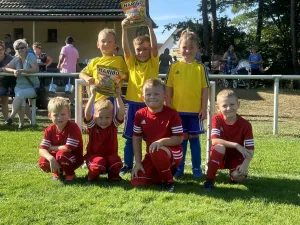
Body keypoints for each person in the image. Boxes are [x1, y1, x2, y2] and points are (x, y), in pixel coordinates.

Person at [166, 29, 209, 179]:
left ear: (197, 48)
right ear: (179, 47)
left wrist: (204, 108)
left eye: (191, 47)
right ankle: (180, 167)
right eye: (185, 47)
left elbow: (205, 89)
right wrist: (168, 106)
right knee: (181, 139)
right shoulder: (174, 67)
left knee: (194, 139)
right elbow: (168, 88)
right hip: (177, 112)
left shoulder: (200, 68)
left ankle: (197, 168)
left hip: (195, 112)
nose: (188, 50)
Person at [120, 17, 159, 175]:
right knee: (130, 138)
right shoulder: (132, 63)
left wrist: (150, 28)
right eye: (139, 50)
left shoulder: (153, 62)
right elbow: (125, 49)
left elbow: (155, 47)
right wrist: (123, 29)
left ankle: (152, 164)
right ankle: (127, 165)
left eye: (145, 49)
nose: (142, 52)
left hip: (150, 106)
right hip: (132, 104)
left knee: (151, 139)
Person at [131, 79, 183, 192]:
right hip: (152, 153)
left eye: (156, 94)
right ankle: (163, 172)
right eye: (148, 94)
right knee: (137, 181)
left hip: (172, 152)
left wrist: (162, 142)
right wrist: (138, 162)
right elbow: (136, 137)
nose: (152, 97)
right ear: (143, 97)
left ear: (165, 96)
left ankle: (168, 181)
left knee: (157, 151)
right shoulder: (140, 114)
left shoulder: (172, 114)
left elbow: (179, 138)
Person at [204, 89, 254, 191]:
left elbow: (250, 149)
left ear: (238, 104)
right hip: (220, 154)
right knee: (219, 147)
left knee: (238, 176)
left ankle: (233, 175)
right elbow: (214, 140)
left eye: (232, 104)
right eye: (224, 106)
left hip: (235, 155)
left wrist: (245, 164)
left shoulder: (246, 125)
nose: (229, 108)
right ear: (218, 108)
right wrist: (236, 145)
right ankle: (209, 180)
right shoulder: (217, 119)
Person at [84, 84, 124, 183]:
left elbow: (121, 113)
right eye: (100, 117)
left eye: (107, 117)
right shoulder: (93, 125)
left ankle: (113, 177)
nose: (103, 121)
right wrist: (93, 95)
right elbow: (87, 114)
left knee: (116, 162)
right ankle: (91, 178)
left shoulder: (113, 125)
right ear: (95, 115)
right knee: (98, 163)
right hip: (94, 157)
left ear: (112, 117)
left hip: (109, 157)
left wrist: (118, 96)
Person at [38, 97, 83, 183]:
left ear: (69, 114)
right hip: (58, 156)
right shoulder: (49, 130)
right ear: (49, 116)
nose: (59, 118)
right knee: (43, 162)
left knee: (61, 155)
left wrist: (51, 148)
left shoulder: (73, 127)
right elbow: (42, 149)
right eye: (56, 115)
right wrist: (51, 158)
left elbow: (68, 148)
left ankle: (70, 175)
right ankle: (58, 172)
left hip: (74, 157)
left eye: (63, 114)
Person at [79, 28, 128, 103]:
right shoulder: (94, 61)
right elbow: (81, 74)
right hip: (97, 100)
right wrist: (87, 78)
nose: (106, 44)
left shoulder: (120, 60)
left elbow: (127, 76)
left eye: (109, 42)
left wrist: (120, 76)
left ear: (115, 45)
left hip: (113, 99)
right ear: (98, 44)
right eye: (103, 41)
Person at [1, 39, 39, 129]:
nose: (20, 49)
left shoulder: (30, 56)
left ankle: (11, 117)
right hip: (19, 86)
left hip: (32, 86)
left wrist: (22, 71)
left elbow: (36, 69)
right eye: (17, 48)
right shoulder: (16, 58)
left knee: (20, 95)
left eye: (22, 47)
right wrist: (14, 71)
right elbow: (5, 68)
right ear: (15, 50)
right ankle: (21, 124)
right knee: (21, 102)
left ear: (26, 48)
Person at [57, 36, 79, 105]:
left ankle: (70, 101)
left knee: (67, 87)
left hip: (65, 71)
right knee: (70, 86)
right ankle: (72, 101)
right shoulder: (76, 50)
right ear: (72, 42)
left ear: (65, 42)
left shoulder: (64, 48)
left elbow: (62, 57)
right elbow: (77, 61)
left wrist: (58, 64)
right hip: (73, 71)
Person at [0, 40, 14, 121]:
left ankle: (6, 120)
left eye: (1, 49)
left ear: (4, 49)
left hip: (6, 82)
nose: (0, 51)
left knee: (4, 101)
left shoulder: (10, 58)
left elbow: (14, 67)